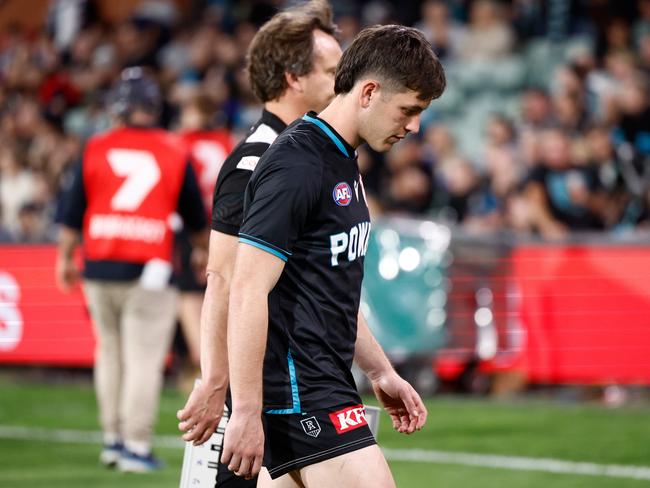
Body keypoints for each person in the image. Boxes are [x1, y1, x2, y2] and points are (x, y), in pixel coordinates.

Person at [221, 24, 445, 486]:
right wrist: (244, 410)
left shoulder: (340, 156)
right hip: (302, 394)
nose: (414, 126)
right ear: (368, 92)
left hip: (319, 385)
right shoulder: (297, 164)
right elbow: (245, 289)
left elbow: (329, 284)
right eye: (409, 109)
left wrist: (380, 371)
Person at [176, 0, 341, 485]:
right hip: (270, 384)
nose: (344, 84)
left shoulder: (312, 153)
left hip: (304, 378)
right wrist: (216, 382)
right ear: (294, 78)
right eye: (333, 72)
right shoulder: (256, 161)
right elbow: (224, 279)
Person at [56, 67, 207, 473]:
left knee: (109, 352)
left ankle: (112, 439)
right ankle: (135, 446)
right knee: (142, 358)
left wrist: (63, 258)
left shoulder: (96, 146)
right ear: (154, 108)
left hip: (99, 262)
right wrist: (201, 251)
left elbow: (71, 213)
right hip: (150, 267)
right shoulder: (174, 149)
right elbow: (196, 218)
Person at [175, 94, 234, 391]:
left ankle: (202, 358)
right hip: (225, 224)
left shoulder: (182, 143)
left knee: (188, 292)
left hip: (192, 225)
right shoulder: (225, 141)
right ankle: (217, 357)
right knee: (220, 286)